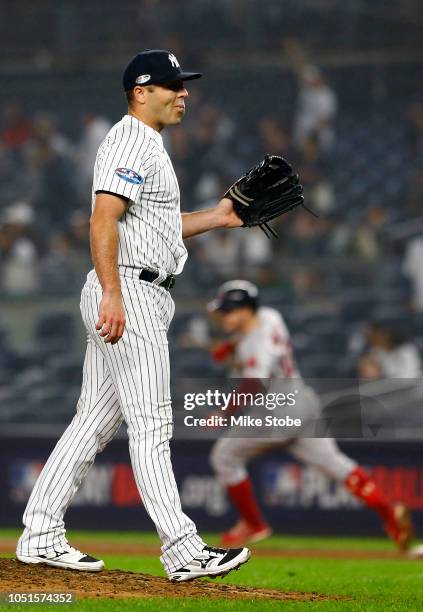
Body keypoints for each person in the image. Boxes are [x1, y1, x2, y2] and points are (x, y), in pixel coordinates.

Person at [16, 49, 250, 583]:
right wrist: (112, 292)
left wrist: (218, 216)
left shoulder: (149, 145)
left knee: (94, 422)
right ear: (141, 91)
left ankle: (42, 533)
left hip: (138, 286)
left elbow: (155, 227)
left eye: (183, 85)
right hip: (129, 289)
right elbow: (103, 218)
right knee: (151, 422)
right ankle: (182, 549)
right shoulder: (127, 140)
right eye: (172, 85)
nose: (183, 93)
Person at [207, 281, 412, 549]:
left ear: (246, 310)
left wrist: (224, 412)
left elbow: (253, 384)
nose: (224, 316)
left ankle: (253, 524)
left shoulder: (257, 346)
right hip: (303, 403)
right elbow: (255, 338)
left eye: (229, 311)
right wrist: (233, 345)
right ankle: (389, 513)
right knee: (336, 464)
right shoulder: (270, 316)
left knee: (224, 457)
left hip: (276, 413)